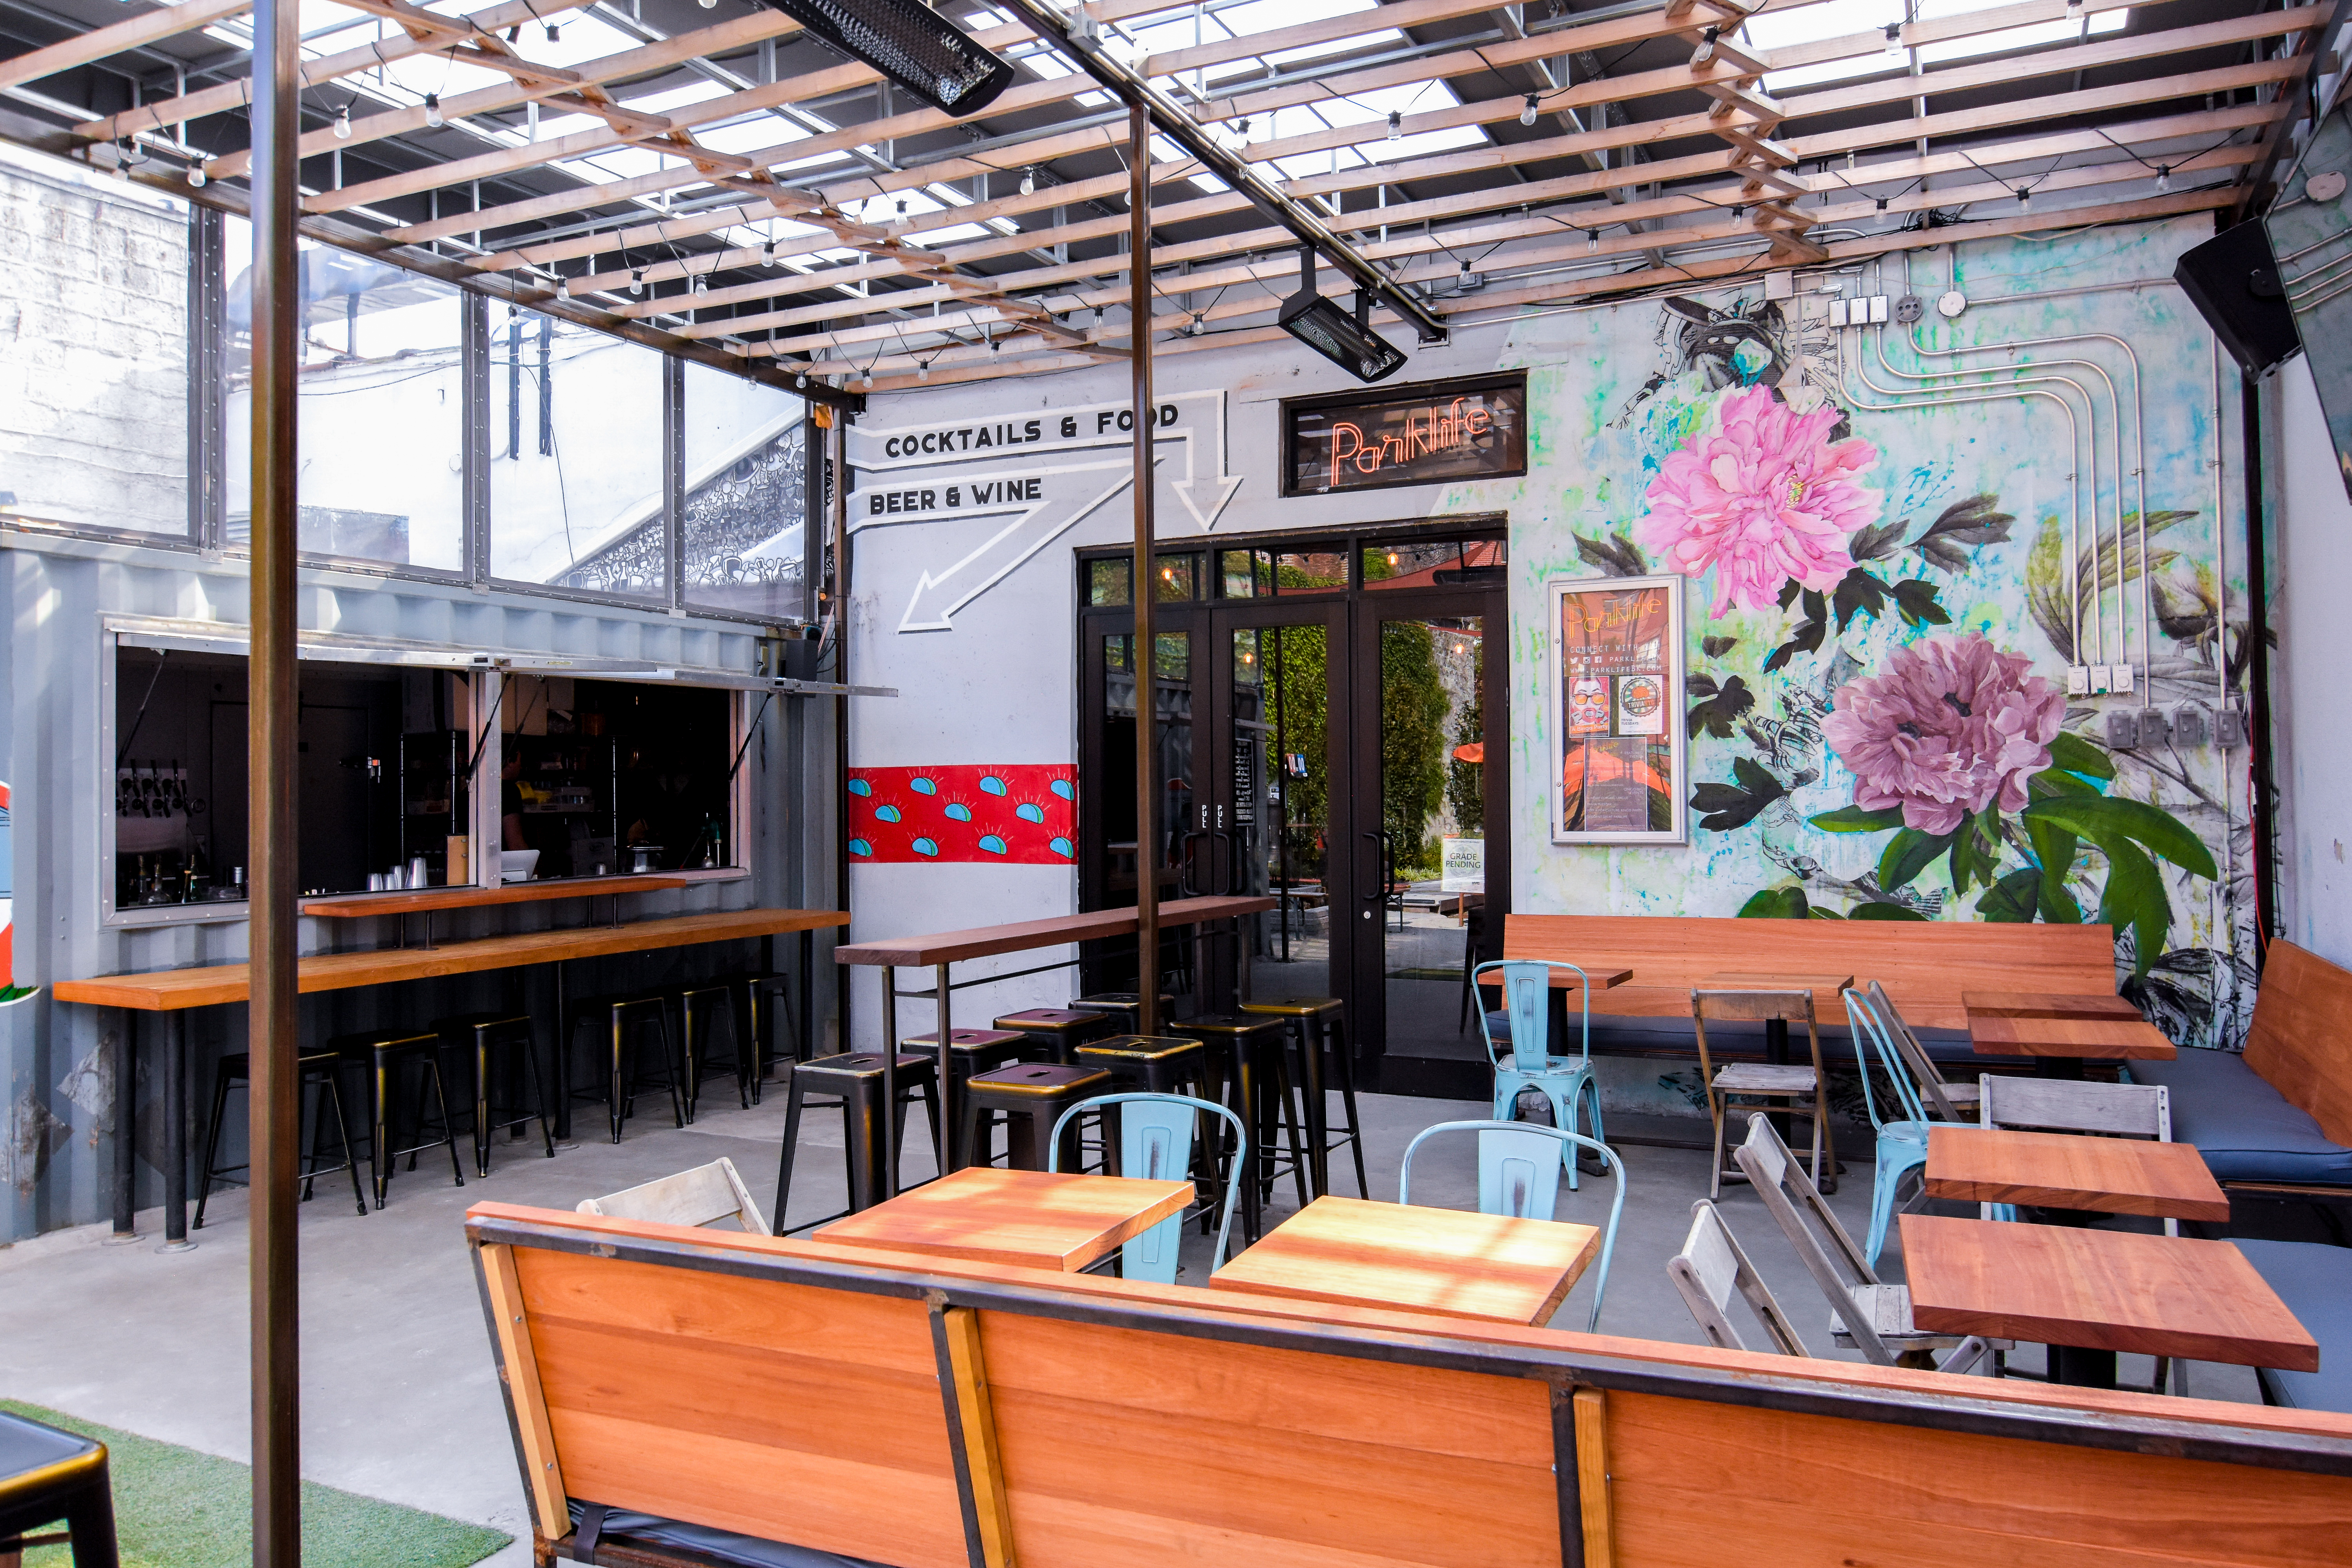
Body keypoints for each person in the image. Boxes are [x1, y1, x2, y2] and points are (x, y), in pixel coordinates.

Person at [501, 751, 528, 852]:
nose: (521, 767)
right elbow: (516, 844)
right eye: (519, 761)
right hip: (504, 865)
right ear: (510, 762)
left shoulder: (468, 792)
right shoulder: (509, 790)